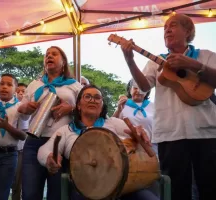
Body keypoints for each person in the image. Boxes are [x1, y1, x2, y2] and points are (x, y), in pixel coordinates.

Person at [120, 13, 216, 200]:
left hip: (206, 133)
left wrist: (192, 64)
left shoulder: (206, 56)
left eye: (172, 26)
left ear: (187, 31)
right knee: (175, 192)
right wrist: (129, 59)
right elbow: (144, 86)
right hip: (170, 135)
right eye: (164, 28)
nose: (167, 30)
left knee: (210, 187)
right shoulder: (156, 61)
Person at [37, 85, 158, 200]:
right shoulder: (66, 131)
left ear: (101, 106)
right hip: (86, 189)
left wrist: (139, 133)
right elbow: (43, 150)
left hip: (122, 186)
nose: (92, 100)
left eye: (97, 98)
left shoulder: (113, 123)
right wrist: (49, 157)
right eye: (87, 96)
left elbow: (137, 133)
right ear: (78, 105)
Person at [18, 46, 82, 200]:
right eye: (47, 55)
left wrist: (71, 108)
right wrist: (25, 108)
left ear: (64, 62)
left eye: (54, 54)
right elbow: (23, 115)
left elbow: (85, 111)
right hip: (33, 142)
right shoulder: (35, 85)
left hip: (60, 143)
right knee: (30, 193)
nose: (49, 56)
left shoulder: (75, 86)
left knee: (57, 193)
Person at [12, 82, 28, 200]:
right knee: (12, 181)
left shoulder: (28, 110)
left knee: (21, 181)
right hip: (12, 147)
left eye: (24, 91)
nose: (21, 93)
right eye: (18, 91)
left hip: (23, 148)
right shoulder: (11, 107)